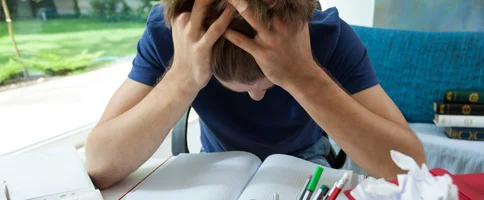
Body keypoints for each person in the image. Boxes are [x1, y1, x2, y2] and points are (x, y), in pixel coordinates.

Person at [85, 0, 426, 189]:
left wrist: (304, 78)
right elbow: (99, 166)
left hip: (304, 157)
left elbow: (411, 168)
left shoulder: (327, 36)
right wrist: (181, 80)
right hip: (215, 162)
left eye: (269, 83)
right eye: (238, 85)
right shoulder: (172, 35)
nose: (257, 100)